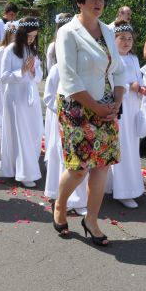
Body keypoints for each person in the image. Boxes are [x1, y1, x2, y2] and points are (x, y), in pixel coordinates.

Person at [53, 0, 125, 246]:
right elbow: (69, 78)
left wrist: (116, 102)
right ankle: (60, 206)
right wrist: (96, 107)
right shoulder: (68, 33)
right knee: (79, 167)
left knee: (102, 165)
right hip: (77, 107)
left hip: (106, 105)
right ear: (80, 3)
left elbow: (119, 70)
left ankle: (91, 220)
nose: (99, 3)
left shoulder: (107, 30)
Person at [108, 21, 146, 208]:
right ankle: (121, 190)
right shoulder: (111, 58)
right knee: (120, 146)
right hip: (119, 107)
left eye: (129, 39)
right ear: (114, 39)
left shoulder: (133, 59)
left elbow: (138, 80)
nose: (126, 42)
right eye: (122, 38)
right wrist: (128, 87)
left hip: (133, 108)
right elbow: (108, 83)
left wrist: (141, 88)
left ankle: (128, 186)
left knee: (131, 147)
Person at [0, 17, 43, 188]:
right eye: (29, 36)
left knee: (34, 131)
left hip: (30, 98)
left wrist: (32, 70)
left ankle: (27, 166)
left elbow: (38, 77)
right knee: (19, 132)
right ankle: (23, 172)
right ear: (21, 33)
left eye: (34, 37)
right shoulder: (10, 50)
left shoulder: (33, 51)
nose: (31, 40)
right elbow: (3, 76)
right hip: (15, 98)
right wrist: (22, 70)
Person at [43, 47, 88, 216]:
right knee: (64, 159)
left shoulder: (83, 70)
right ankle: (63, 197)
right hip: (63, 120)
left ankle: (79, 200)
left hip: (82, 121)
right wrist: (65, 111)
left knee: (80, 161)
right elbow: (48, 97)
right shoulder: (56, 69)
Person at [0, 22, 16, 146]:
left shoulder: (16, 50)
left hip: (14, 84)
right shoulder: (2, 50)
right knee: (3, 111)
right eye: (13, 35)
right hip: (4, 85)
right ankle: (3, 140)